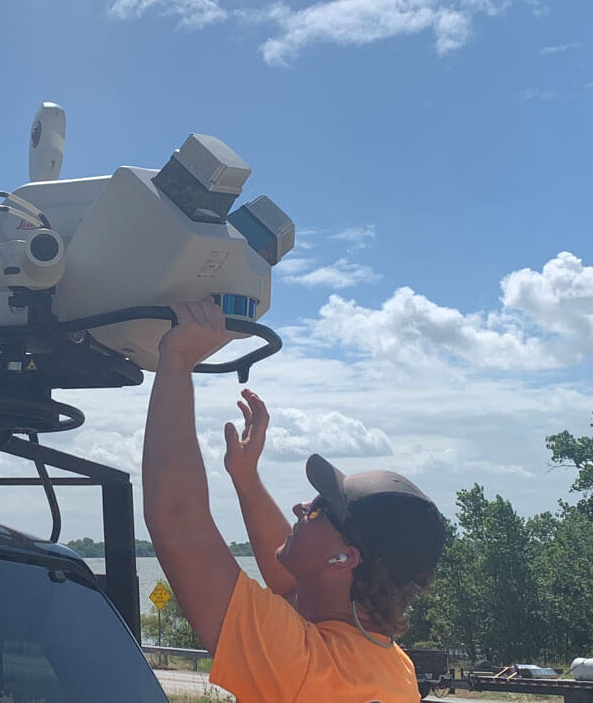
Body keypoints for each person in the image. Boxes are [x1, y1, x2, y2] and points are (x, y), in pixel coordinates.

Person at [142, 297, 446, 702]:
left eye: (319, 509)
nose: (301, 508)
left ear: (345, 559)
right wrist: (247, 482)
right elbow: (293, 587)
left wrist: (178, 359)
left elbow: (177, 520)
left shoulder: (302, 668)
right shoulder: (388, 664)